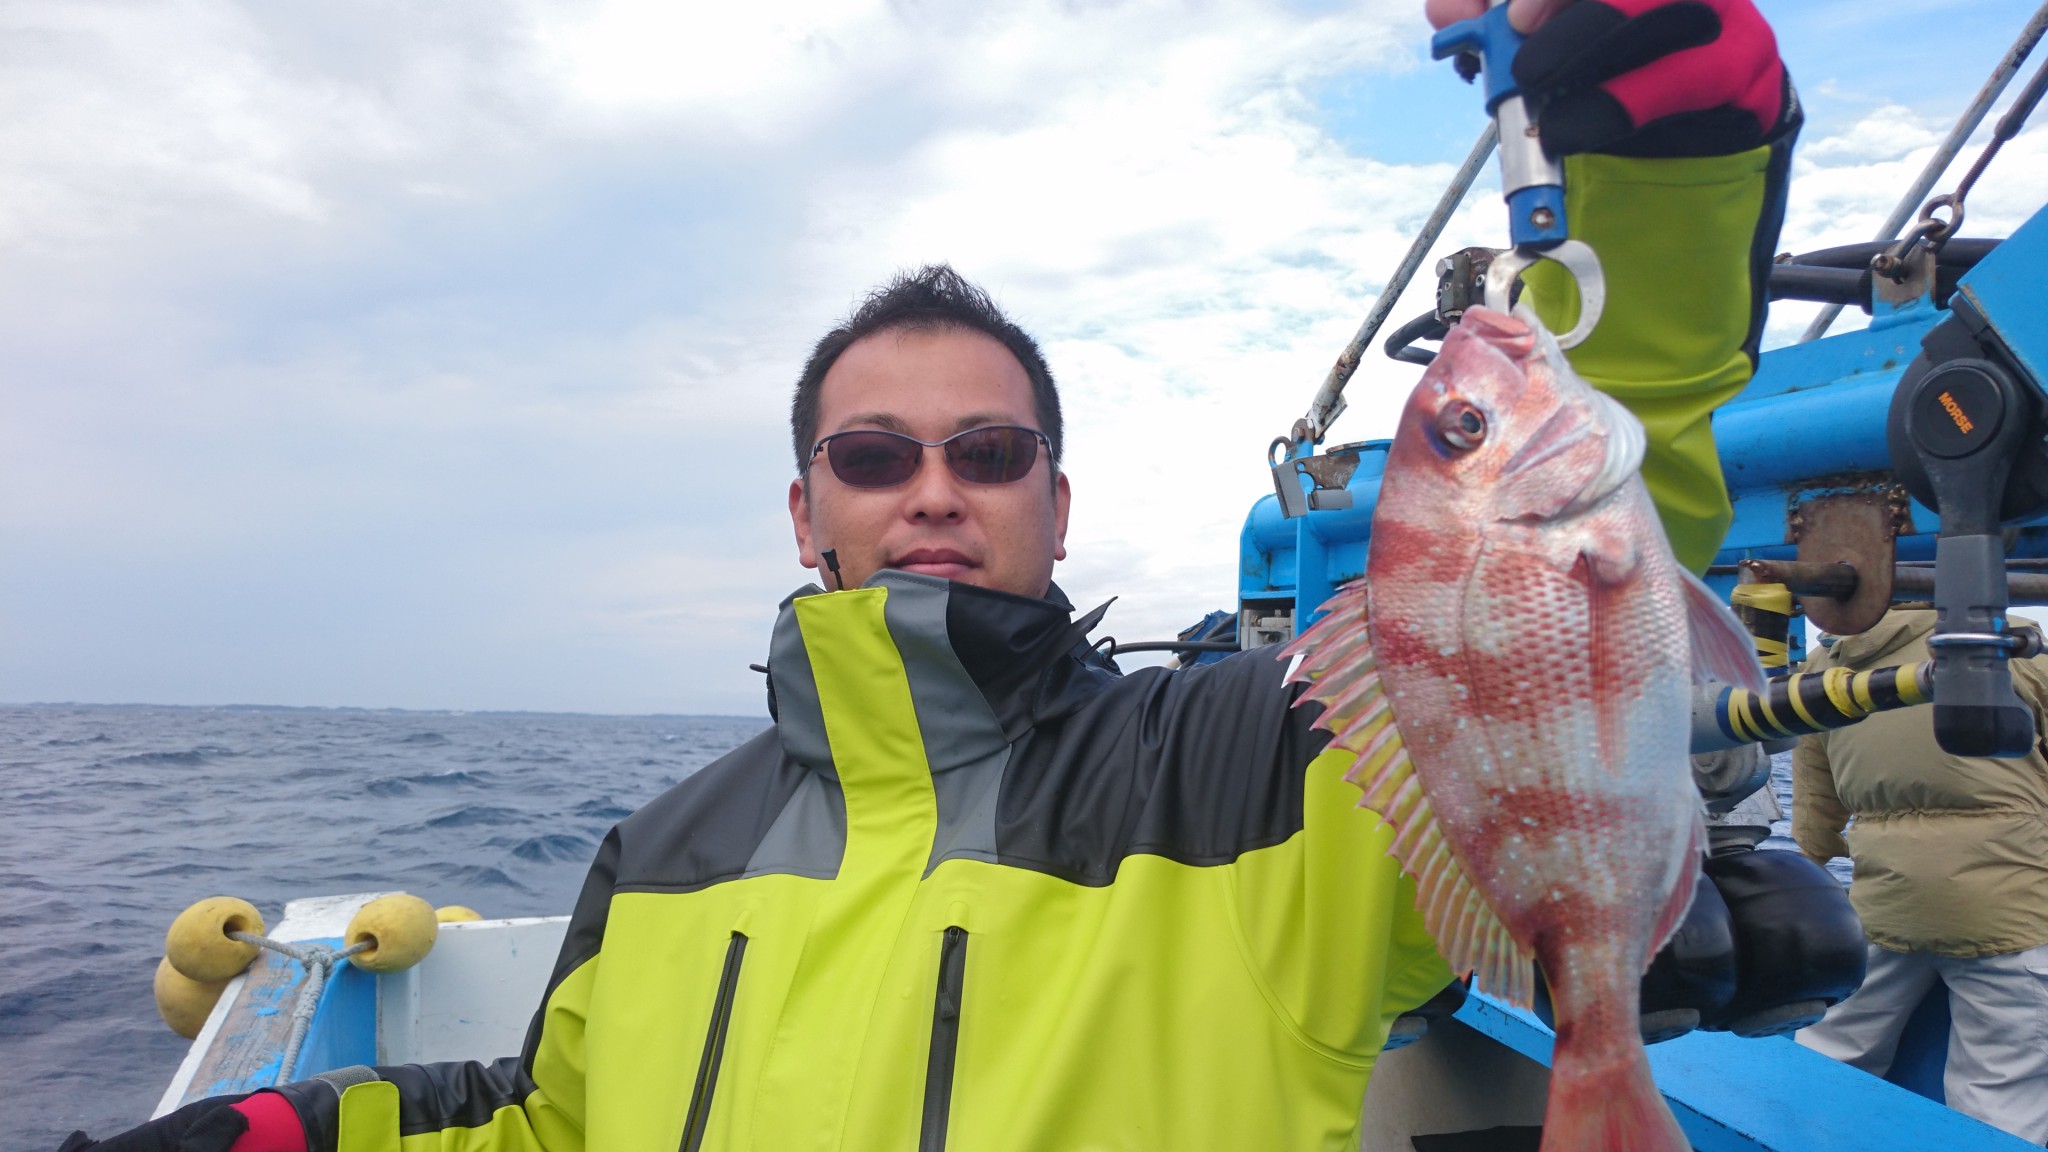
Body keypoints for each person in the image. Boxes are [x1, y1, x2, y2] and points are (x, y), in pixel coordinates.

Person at [63, 2, 1817, 1148]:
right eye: (872, 454)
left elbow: (1622, 471)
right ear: (802, 509)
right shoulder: (660, 851)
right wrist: (300, 1126)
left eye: (986, 452)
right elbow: (557, 1119)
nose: (930, 490)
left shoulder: (1256, 765)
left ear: (1057, 505)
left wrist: (1655, 133)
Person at [1792, 607, 2048, 1144]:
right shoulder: (2008, 647)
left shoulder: (1820, 670)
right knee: (2001, 1089)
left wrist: (1807, 870)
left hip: (1886, 903)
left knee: (1832, 1051)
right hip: (2008, 911)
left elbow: (1816, 805)